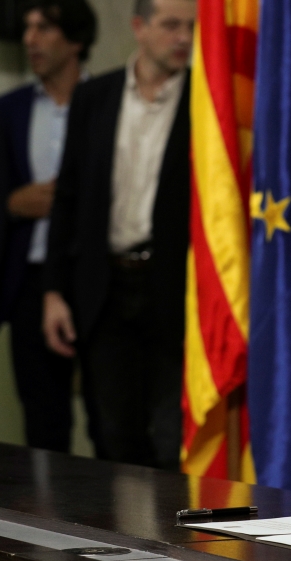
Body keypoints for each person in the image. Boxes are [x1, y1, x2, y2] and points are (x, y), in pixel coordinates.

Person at [42, 0, 195, 470]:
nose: (184, 38)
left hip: (175, 289)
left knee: (172, 436)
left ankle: (171, 522)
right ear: (139, 27)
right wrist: (53, 291)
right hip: (103, 286)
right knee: (112, 433)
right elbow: (67, 197)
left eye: (191, 27)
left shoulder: (205, 102)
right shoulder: (95, 96)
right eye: (171, 25)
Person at [0, 0, 96, 453]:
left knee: (112, 420)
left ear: (75, 40)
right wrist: (11, 205)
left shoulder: (107, 101)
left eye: (43, 28)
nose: (30, 40)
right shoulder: (10, 110)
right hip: (29, 281)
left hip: (98, 278)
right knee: (43, 423)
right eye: (27, 28)